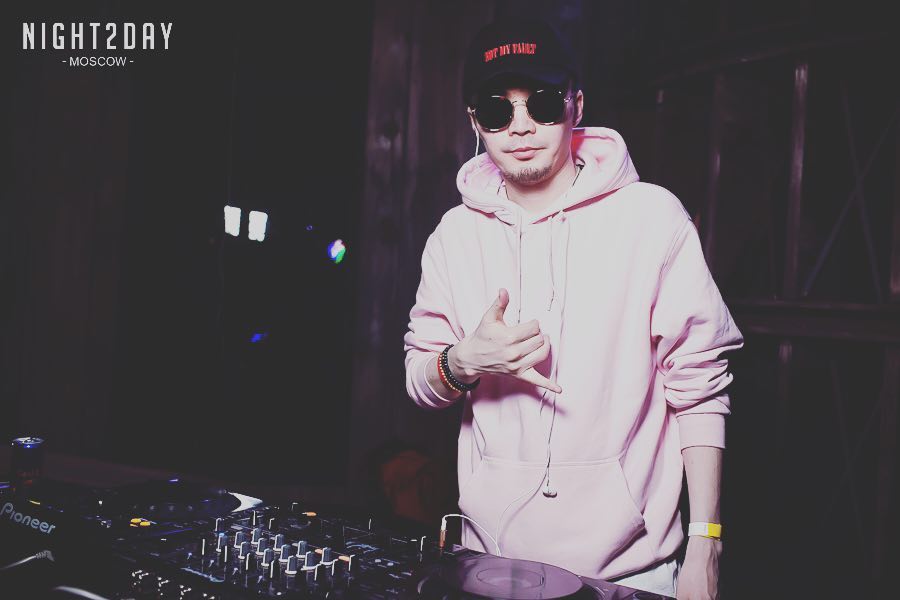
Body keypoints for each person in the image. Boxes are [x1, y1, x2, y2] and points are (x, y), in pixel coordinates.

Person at [403, 16, 743, 599]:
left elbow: (700, 385)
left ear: (575, 105)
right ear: (474, 122)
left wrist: (705, 544)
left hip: (631, 572)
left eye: (540, 102)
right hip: (489, 567)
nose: (521, 126)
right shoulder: (453, 236)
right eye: (497, 110)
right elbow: (420, 381)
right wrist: (462, 361)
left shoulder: (651, 219)